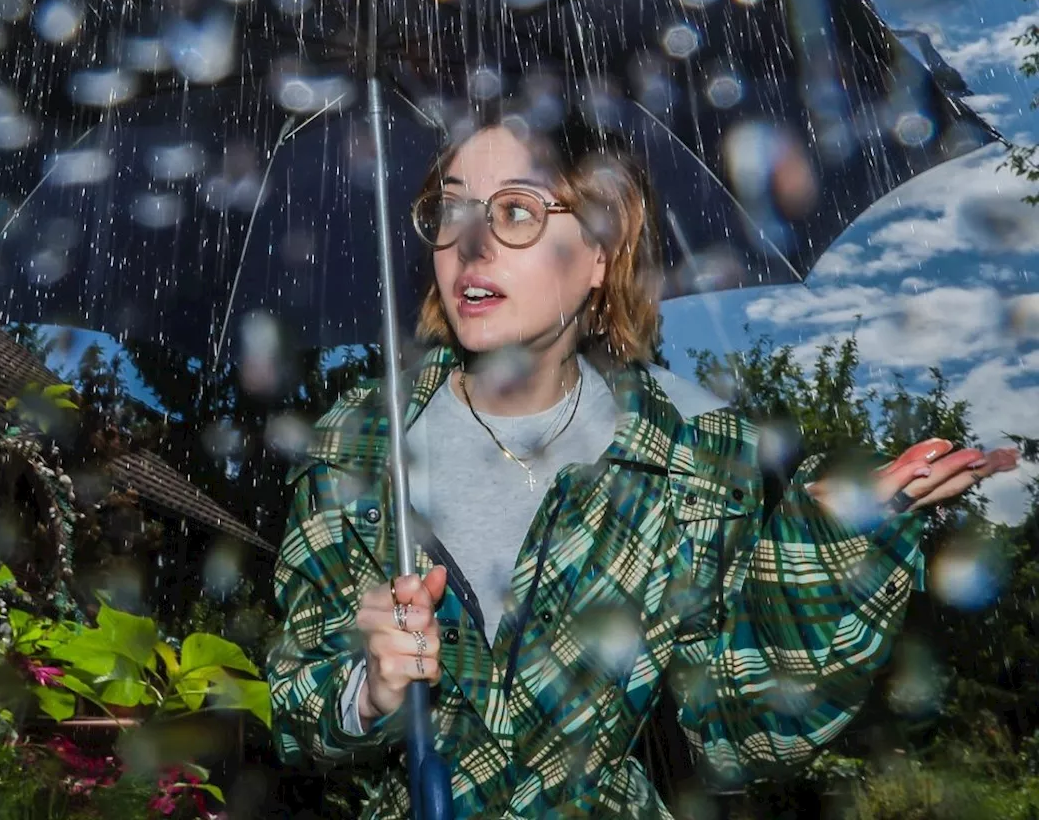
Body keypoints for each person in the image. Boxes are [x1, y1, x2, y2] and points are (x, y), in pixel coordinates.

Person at [266, 107, 1019, 818]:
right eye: (452, 209)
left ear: (599, 249)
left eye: (517, 212)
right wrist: (366, 690)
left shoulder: (692, 458)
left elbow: (737, 733)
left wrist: (824, 555)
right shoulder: (358, 448)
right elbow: (296, 717)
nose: (468, 245)